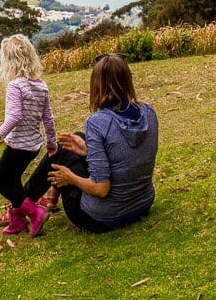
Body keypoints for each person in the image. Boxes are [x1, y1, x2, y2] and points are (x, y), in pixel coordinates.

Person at [24, 53, 158, 233]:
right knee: (75, 139)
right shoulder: (148, 112)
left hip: (100, 218)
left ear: (97, 84)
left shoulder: (97, 122)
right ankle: (43, 198)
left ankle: (21, 204)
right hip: (142, 203)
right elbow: (127, 154)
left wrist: (69, 177)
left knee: (62, 151)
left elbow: (101, 189)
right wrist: (88, 151)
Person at [0, 34, 57, 236]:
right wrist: (51, 142)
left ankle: (35, 212)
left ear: (8, 61)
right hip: (33, 145)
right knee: (13, 182)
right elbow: (48, 117)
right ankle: (16, 222)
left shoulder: (15, 86)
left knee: (1, 183)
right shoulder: (41, 85)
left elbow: (14, 116)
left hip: (17, 146)